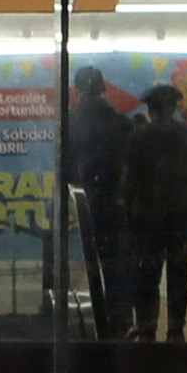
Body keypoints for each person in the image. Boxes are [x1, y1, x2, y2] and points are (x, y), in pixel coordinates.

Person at [114, 80, 187, 344]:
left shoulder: (138, 137)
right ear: (175, 108)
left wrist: (127, 216)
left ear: (151, 109)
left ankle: (146, 329)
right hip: (181, 219)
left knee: (147, 275)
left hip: (147, 220)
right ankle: (176, 331)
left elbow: (129, 182)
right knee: (179, 274)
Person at [63, 67, 131, 336]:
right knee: (114, 266)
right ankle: (118, 323)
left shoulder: (68, 122)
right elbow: (130, 167)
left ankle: (83, 324)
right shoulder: (121, 122)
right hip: (113, 203)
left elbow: (64, 168)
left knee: (79, 266)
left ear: (76, 90)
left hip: (79, 203)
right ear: (104, 89)